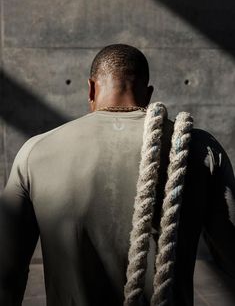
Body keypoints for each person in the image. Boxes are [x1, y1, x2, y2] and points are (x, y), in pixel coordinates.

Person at [0, 44, 234, 306]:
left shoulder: (35, 151)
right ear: (148, 94)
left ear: (90, 88)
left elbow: (6, 273)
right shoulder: (203, 150)